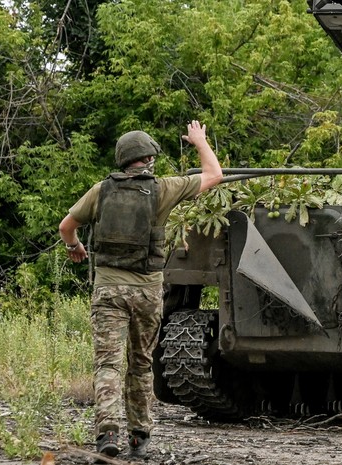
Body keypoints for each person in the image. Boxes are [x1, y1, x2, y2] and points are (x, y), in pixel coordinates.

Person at [58, 120, 223, 459]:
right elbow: (213, 175)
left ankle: (107, 435)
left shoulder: (99, 191)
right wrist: (199, 141)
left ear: (122, 160)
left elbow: (66, 226)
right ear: (148, 159)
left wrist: (73, 246)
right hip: (147, 293)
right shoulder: (163, 189)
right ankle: (139, 434)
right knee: (141, 363)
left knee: (107, 364)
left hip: (108, 292)